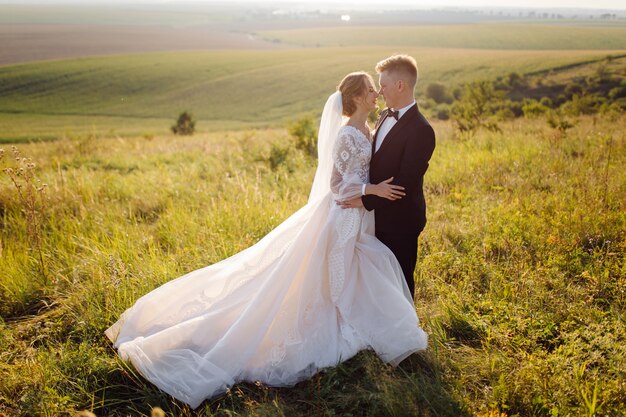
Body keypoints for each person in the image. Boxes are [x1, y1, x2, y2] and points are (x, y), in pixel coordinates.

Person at [105, 71, 427, 409]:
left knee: (358, 268)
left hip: (362, 216)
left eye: (378, 88)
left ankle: (354, 318)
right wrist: (370, 190)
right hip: (345, 217)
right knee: (338, 271)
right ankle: (342, 320)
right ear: (358, 97)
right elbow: (337, 185)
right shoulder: (347, 134)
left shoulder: (369, 129)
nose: (377, 93)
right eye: (371, 89)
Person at [340, 55, 436, 299]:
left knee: (400, 281)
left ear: (400, 86)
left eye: (382, 85)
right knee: (376, 283)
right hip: (373, 218)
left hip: (400, 221)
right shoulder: (384, 115)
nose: (379, 92)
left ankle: (405, 333)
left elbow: (403, 185)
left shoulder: (422, 131)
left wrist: (363, 200)